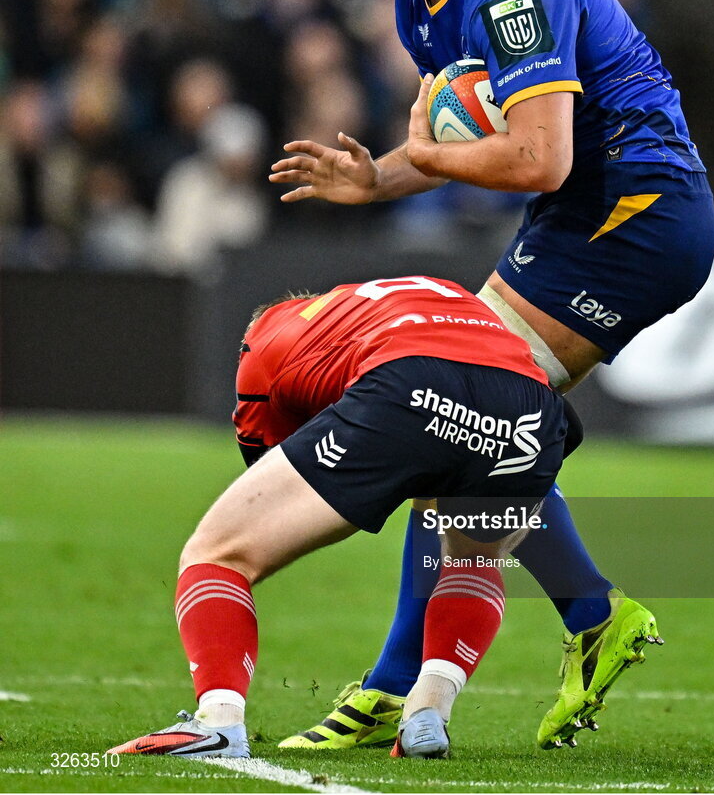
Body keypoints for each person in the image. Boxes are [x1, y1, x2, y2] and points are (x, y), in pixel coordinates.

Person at [268, 0, 714, 749]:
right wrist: (377, 178)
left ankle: (396, 685)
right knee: (467, 425)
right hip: (579, 218)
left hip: (637, 209)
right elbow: (458, 142)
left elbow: (540, 157)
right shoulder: (420, 0)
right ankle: (592, 620)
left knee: (451, 405)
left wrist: (423, 151)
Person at [107, 274, 571, 760]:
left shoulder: (267, 330)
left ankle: (218, 723)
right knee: (471, 559)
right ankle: (427, 713)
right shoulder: (418, 294)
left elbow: (263, 458)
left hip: (408, 383)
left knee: (220, 552)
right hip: (531, 407)